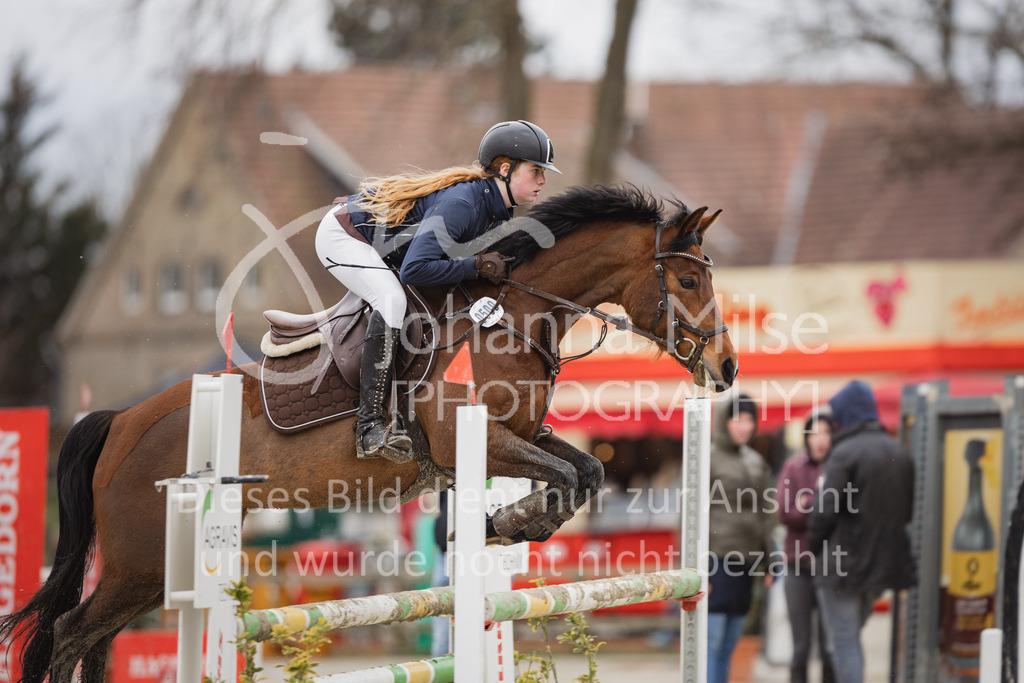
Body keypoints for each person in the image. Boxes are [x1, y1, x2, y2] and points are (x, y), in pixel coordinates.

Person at [314, 120, 560, 462]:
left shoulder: (492, 210)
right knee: (391, 300)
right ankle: (369, 426)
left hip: (379, 244)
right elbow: (416, 268)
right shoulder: (465, 204)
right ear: (505, 169)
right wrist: (475, 266)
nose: (543, 181)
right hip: (343, 236)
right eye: (535, 171)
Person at [807, 380, 916, 683]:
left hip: (841, 565)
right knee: (850, 638)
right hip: (881, 566)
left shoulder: (844, 453)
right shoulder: (899, 451)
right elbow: (907, 511)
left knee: (843, 642)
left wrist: (813, 549)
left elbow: (823, 511)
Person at [707, 393, 776, 683]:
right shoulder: (707, 457)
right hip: (714, 560)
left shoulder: (756, 461)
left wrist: (772, 560)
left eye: (749, 419)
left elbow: (766, 514)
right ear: (725, 421)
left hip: (747, 562)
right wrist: (690, 564)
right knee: (711, 642)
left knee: (731, 642)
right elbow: (689, 512)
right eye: (737, 418)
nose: (744, 426)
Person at [777, 407, 835, 683]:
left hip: (830, 568)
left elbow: (839, 515)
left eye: (826, 432)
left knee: (830, 647)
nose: (820, 439)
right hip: (797, 568)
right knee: (800, 647)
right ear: (806, 437)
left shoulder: (839, 468)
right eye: (815, 432)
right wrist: (818, 503)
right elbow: (785, 513)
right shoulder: (793, 467)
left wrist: (805, 502)